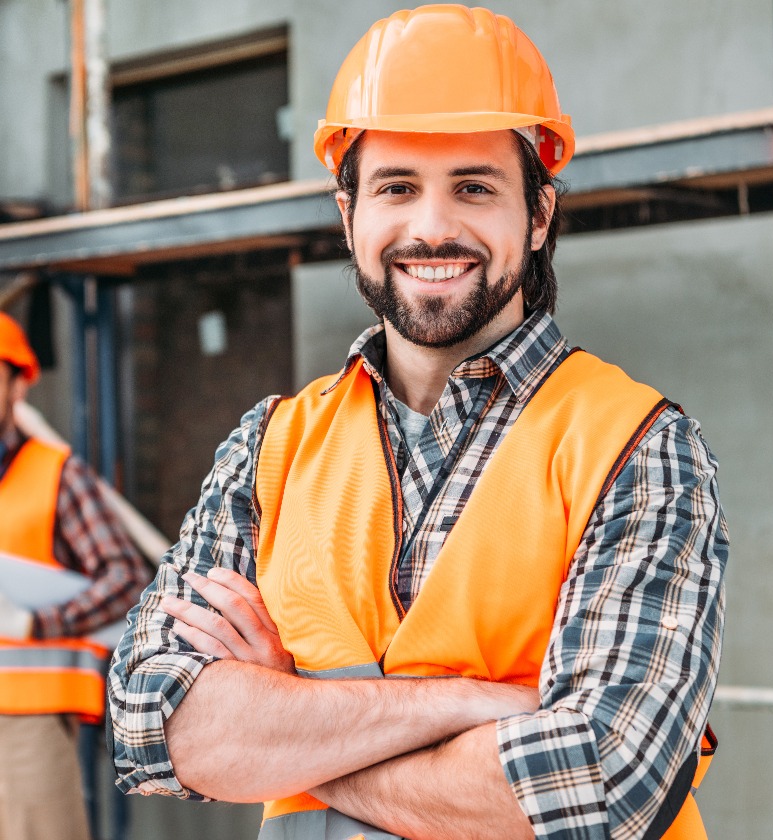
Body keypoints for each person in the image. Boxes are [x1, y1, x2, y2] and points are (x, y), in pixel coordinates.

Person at [107, 6, 728, 839]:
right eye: (397, 187)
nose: (432, 227)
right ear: (348, 215)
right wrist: (473, 705)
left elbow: (599, 783)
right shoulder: (271, 448)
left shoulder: (638, 449)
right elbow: (154, 726)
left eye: (474, 187)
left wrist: (290, 723)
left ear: (538, 216)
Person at [0, 311, 149, 840]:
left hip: (24, 720)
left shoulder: (56, 475)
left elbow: (127, 577)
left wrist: (37, 623)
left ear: (17, 384)